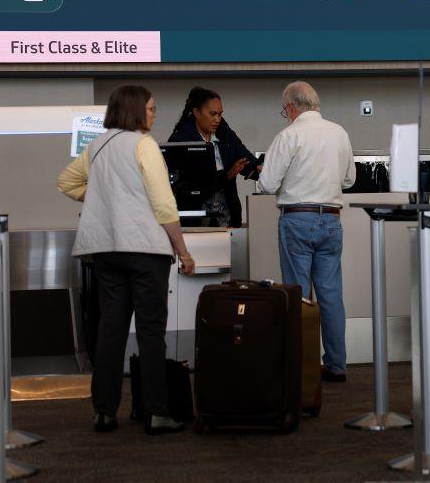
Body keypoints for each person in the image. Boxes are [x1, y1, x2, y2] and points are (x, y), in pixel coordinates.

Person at [57, 85, 195, 434]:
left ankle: (103, 411)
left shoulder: (98, 145)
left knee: (110, 331)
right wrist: (182, 249)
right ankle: (157, 412)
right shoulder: (143, 145)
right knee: (150, 332)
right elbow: (163, 203)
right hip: (145, 250)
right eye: (150, 108)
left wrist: (102, 197)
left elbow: (65, 182)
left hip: (106, 250)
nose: (154, 113)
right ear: (134, 110)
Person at [258, 81, 355, 382]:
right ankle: (337, 365)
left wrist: (264, 175)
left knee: (298, 295)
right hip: (331, 220)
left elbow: (268, 185)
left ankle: (303, 367)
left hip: (297, 219)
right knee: (331, 296)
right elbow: (349, 180)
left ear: (290, 108)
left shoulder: (289, 135)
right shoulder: (339, 132)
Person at [168, 87, 260, 227]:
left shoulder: (225, 133)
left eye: (220, 114)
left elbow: (244, 158)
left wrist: (259, 168)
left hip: (227, 214)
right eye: (212, 114)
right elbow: (188, 183)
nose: (217, 119)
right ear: (196, 112)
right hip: (194, 216)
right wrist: (227, 175)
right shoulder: (180, 140)